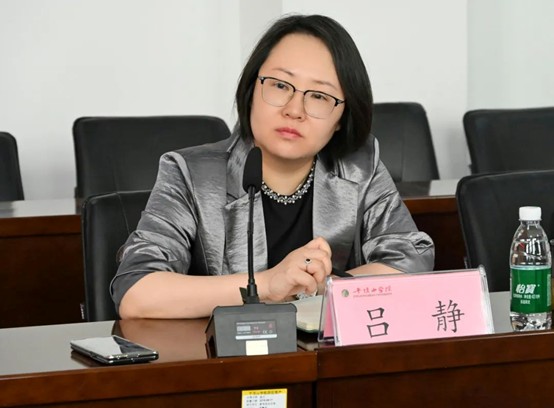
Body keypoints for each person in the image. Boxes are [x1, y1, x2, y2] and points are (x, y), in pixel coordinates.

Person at [111, 14, 434, 319]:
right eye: (280, 85)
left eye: (319, 96)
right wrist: (267, 285)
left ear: (341, 118)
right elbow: (136, 292)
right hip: (225, 355)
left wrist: (327, 285)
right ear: (252, 89)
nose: (295, 110)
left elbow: (413, 258)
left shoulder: (359, 166)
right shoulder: (190, 174)